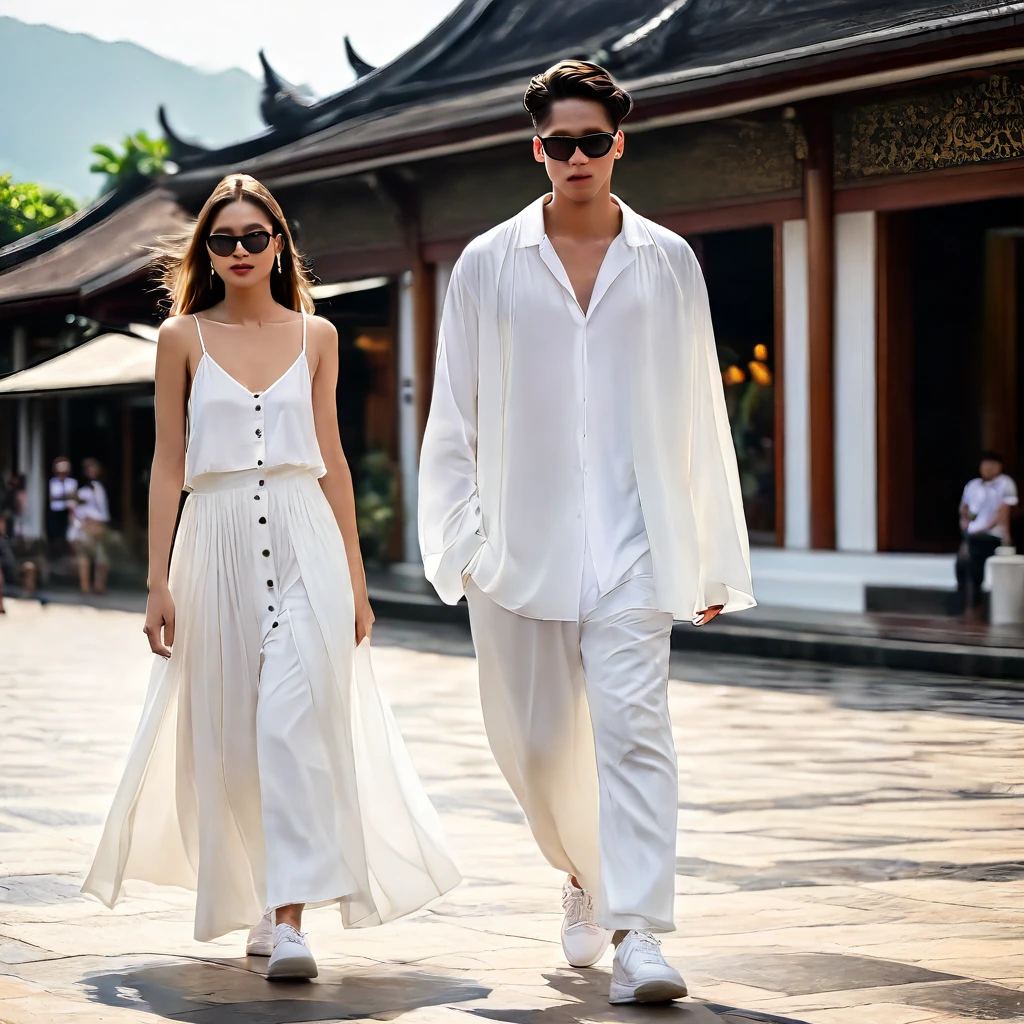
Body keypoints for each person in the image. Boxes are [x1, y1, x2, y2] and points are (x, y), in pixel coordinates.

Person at [418, 61, 754, 1005]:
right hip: (516, 547)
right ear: (537, 149)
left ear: (619, 144)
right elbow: (456, 415)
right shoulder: (487, 262)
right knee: (531, 746)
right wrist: (464, 545)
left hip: (636, 544)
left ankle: (640, 929)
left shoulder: (668, 262)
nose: (576, 156)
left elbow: (699, 414)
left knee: (636, 731)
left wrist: (709, 552)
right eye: (558, 142)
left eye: (592, 141)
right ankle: (581, 874)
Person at [83, 173, 460, 979]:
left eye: (257, 236)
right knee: (234, 731)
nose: (243, 250)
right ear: (207, 252)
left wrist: (356, 581)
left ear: (280, 243)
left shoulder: (316, 337)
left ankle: (291, 919)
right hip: (212, 540)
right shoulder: (181, 338)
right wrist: (156, 581)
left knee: (293, 721)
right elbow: (167, 464)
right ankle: (263, 896)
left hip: (306, 540)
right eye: (225, 239)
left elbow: (331, 462)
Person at [957, 451, 1018, 616]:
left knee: (981, 570)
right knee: (964, 568)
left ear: (999, 467)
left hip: (992, 535)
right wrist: (968, 524)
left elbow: (1002, 511)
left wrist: (990, 529)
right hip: (973, 534)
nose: (988, 469)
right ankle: (968, 606)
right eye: (985, 465)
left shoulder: (1005, 483)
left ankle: (980, 609)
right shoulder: (973, 485)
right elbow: (969, 510)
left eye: (992, 465)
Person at [70, 458, 112, 595]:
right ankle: (85, 588)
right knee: (84, 557)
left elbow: (103, 509)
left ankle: (99, 587)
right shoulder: (81, 490)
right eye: (89, 468)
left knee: (103, 559)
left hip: (99, 526)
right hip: (85, 526)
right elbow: (75, 510)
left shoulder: (101, 488)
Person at [47, 457, 78, 557]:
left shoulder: (72, 482)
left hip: (68, 512)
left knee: (69, 535)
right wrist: (67, 496)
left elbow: (74, 498)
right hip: (56, 513)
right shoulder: (53, 482)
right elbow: (54, 497)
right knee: (56, 536)